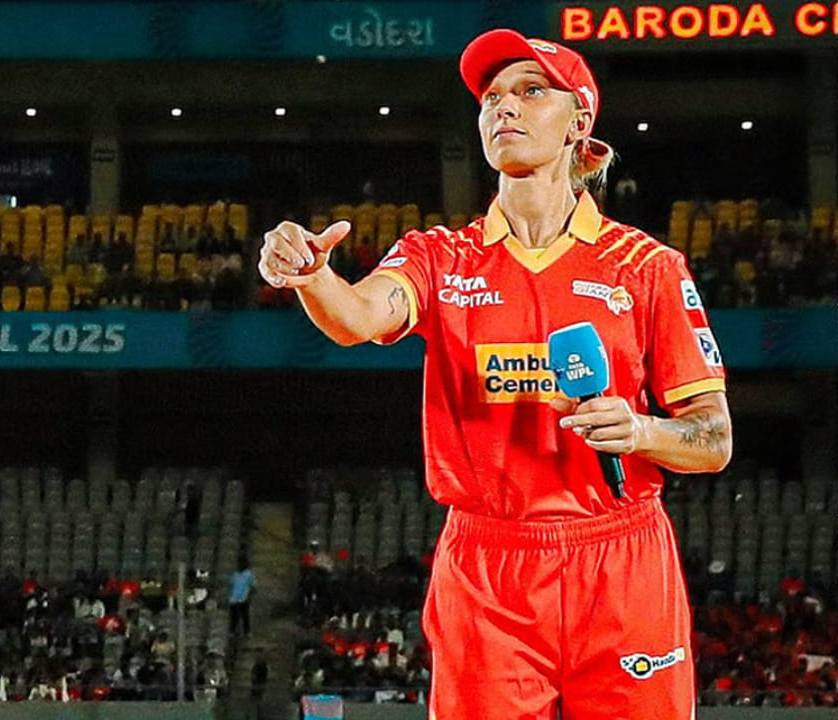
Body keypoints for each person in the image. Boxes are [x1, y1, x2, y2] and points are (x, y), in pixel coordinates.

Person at [259, 28, 732, 719]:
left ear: (578, 122)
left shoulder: (647, 267)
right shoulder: (440, 257)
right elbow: (357, 316)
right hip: (488, 564)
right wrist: (312, 276)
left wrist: (639, 431)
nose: (503, 107)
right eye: (491, 98)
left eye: (530, 91)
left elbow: (713, 439)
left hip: (621, 558)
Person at [228, 554, 255, 638]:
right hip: (234, 599)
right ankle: (232, 631)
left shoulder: (249, 574)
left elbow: (253, 587)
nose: (239, 565)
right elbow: (231, 585)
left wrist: (249, 597)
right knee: (234, 617)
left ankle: (247, 632)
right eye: (239, 563)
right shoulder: (235, 574)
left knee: (245, 616)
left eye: (241, 563)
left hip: (244, 599)